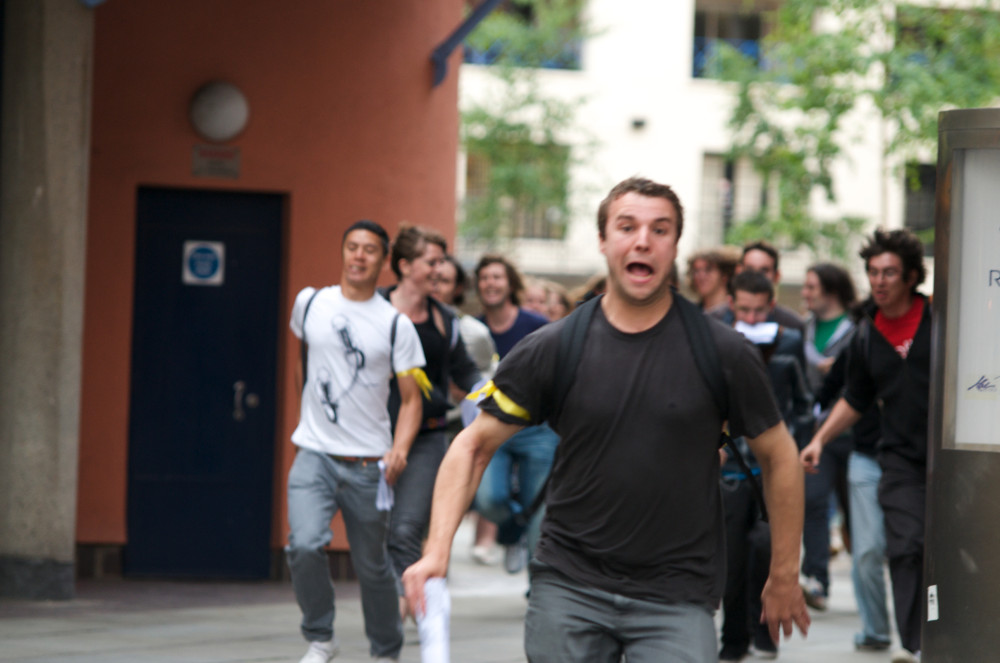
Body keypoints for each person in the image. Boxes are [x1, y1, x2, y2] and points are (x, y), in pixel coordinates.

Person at [404, 177, 810, 662]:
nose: (642, 239)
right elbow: (472, 446)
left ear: (674, 245)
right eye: (627, 226)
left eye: (660, 229)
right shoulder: (555, 347)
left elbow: (780, 456)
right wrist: (436, 550)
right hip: (570, 588)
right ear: (603, 241)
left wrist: (784, 573)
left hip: (677, 594)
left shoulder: (722, 352)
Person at [286, 219, 425, 663]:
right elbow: (301, 363)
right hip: (315, 454)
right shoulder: (310, 303)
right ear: (342, 252)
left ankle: (385, 651)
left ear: (384, 261)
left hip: (369, 465)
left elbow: (410, 400)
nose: (358, 256)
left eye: (369, 250)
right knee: (304, 544)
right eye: (352, 247)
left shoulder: (395, 325)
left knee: (372, 568)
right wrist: (305, 417)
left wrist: (399, 448)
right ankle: (321, 637)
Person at [800, 228, 931, 663]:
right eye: (873, 272)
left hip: (951, 456)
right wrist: (819, 439)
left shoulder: (939, 318)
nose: (880, 280)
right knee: (903, 545)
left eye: (890, 272)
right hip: (898, 457)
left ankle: (941, 629)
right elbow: (854, 397)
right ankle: (912, 643)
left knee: (944, 550)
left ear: (911, 275)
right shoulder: (865, 332)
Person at [381, 226, 481, 620]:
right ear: (405, 266)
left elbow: (465, 371)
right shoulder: (375, 309)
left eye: (442, 261)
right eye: (432, 262)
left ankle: (408, 611)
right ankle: (395, 608)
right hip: (372, 436)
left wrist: (483, 391)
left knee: (406, 528)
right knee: (377, 535)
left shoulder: (444, 318)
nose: (441, 270)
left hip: (428, 437)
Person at [720, 270, 813, 662]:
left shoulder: (789, 343)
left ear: (771, 307)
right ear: (732, 307)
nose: (753, 319)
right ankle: (733, 639)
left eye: (760, 311)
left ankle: (765, 632)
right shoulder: (718, 341)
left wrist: (804, 446)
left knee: (764, 547)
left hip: (773, 468)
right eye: (745, 310)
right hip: (731, 468)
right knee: (732, 559)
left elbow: (804, 401)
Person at [473, 254, 555, 574]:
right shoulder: (473, 329)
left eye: (497, 277)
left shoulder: (535, 326)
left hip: (537, 429)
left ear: (509, 284)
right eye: (484, 278)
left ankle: (538, 588)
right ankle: (511, 530)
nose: (490, 283)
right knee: (488, 499)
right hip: (493, 427)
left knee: (540, 513)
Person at [797, 263, 857, 612]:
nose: (805, 294)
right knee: (814, 502)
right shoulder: (803, 330)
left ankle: (868, 576)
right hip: (816, 434)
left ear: (831, 290)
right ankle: (816, 579)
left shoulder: (856, 328)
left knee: (855, 512)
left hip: (854, 434)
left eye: (811, 287)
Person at [433, 254, 500, 565]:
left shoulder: (473, 333)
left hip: (454, 429)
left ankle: (435, 570)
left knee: (443, 508)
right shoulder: (401, 321)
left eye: (444, 281)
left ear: (457, 288)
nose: (436, 286)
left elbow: (484, 379)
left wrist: (467, 391)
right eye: (432, 278)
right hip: (412, 427)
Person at [710, 241, 805, 335]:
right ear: (738, 271)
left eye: (764, 270)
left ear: (776, 276)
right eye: (749, 269)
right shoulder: (712, 322)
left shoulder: (793, 326)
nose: (755, 276)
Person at [687, 245, 740, 310]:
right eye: (696, 271)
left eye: (708, 269)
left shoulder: (738, 311)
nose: (701, 276)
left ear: (724, 275)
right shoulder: (689, 312)